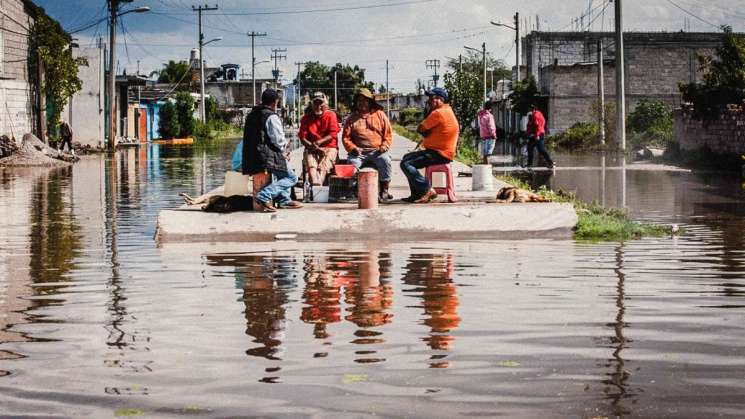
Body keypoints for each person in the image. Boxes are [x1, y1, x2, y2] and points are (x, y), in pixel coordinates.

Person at [242, 88, 302, 212]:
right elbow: (278, 140)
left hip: (251, 156)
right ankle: (264, 195)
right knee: (291, 178)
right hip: (265, 157)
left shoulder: (252, 114)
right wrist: (285, 150)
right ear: (275, 102)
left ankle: (284, 200)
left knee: (282, 171)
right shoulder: (271, 116)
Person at [400, 87, 459, 203]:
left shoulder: (438, 113)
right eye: (430, 98)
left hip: (439, 153)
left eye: (433, 98)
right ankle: (416, 194)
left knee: (406, 164)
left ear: (440, 99)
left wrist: (427, 120)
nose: (430, 101)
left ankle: (426, 189)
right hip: (442, 152)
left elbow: (420, 128)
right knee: (406, 158)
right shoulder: (448, 110)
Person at [342, 88, 394, 201]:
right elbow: (346, 138)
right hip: (359, 152)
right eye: (359, 100)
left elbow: (388, 135)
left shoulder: (380, 115)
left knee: (386, 161)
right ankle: (353, 190)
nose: (362, 103)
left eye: (365, 100)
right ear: (356, 103)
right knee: (352, 163)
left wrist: (384, 147)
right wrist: (352, 148)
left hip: (377, 151)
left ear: (370, 101)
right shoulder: (351, 118)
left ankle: (385, 190)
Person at [299, 92, 340, 186]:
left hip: (329, 147)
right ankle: (315, 182)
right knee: (311, 161)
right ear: (312, 105)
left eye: (320, 103)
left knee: (324, 164)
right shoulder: (306, 118)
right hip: (311, 147)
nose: (318, 106)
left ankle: (318, 183)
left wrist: (319, 142)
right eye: (315, 103)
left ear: (325, 104)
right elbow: (302, 137)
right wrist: (313, 147)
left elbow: (333, 133)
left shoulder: (331, 115)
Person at [526, 104, 554, 168]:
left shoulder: (535, 115)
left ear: (533, 109)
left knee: (541, 149)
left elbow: (538, 126)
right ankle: (529, 164)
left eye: (530, 109)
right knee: (530, 148)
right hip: (535, 134)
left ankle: (550, 162)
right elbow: (530, 125)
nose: (529, 110)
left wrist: (537, 135)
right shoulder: (536, 114)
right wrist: (528, 133)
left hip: (538, 135)